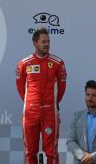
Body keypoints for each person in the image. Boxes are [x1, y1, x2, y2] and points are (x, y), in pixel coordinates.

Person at [16, 28, 67, 164]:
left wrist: (52, 103)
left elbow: (61, 88)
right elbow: (21, 88)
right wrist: (30, 103)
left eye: (48, 41)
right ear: (35, 43)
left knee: (51, 152)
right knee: (29, 152)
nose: (47, 44)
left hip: (49, 112)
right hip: (30, 112)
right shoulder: (24, 63)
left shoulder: (58, 63)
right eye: (43, 41)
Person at [66, 80, 96, 164]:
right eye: (87, 94)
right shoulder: (76, 116)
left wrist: (93, 157)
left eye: (94, 95)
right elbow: (70, 140)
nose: (90, 98)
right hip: (80, 161)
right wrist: (83, 157)